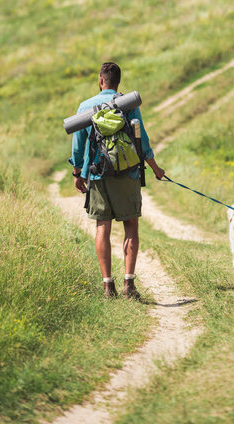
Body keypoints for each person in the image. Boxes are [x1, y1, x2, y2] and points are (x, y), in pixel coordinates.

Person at [69, 62, 165, 299]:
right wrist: (155, 168)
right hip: (128, 173)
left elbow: (78, 145)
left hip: (98, 174)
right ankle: (129, 285)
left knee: (103, 226)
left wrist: (78, 173)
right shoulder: (127, 104)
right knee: (131, 225)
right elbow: (141, 139)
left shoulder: (85, 106)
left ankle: (107, 286)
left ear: (101, 81)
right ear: (118, 82)